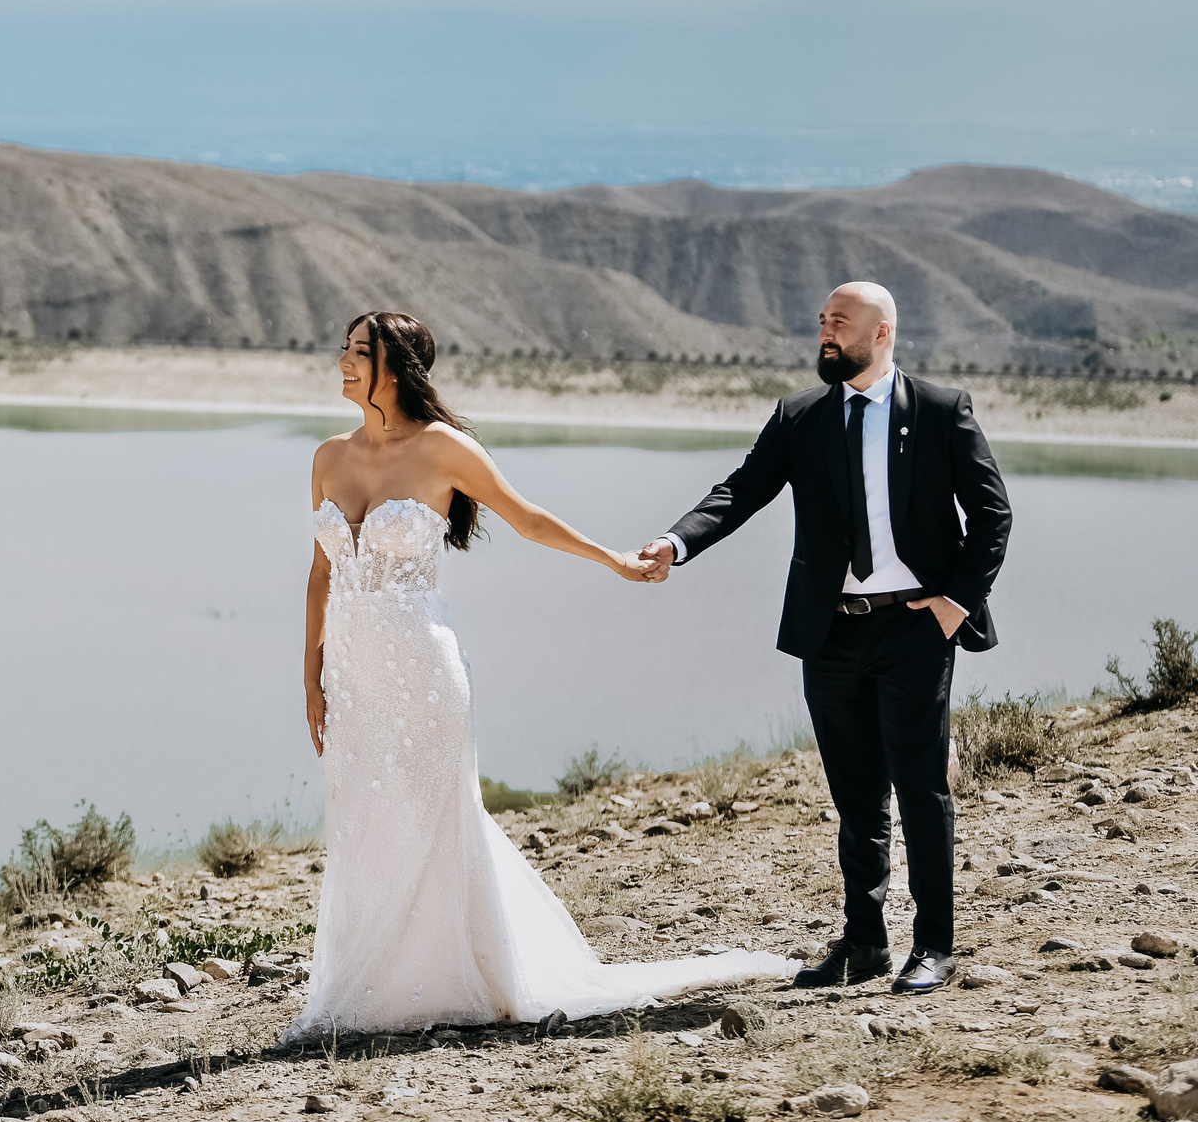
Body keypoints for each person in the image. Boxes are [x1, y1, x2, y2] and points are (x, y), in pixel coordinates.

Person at [285, 310, 789, 1041]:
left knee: (436, 816)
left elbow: (528, 518)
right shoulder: (328, 456)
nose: (344, 361)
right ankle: (375, 985)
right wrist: (310, 677)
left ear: (396, 367)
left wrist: (615, 558)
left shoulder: (444, 448)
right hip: (354, 674)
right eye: (344, 348)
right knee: (366, 821)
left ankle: (462, 978)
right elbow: (320, 573)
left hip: (423, 668)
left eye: (360, 352)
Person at [638, 282, 1010, 995]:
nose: (826, 333)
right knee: (855, 795)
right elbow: (741, 490)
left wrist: (955, 602)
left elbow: (993, 514)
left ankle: (934, 943)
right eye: (821, 322)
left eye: (840, 322)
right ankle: (864, 941)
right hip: (831, 631)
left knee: (921, 788)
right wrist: (674, 542)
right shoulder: (799, 416)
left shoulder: (938, 410)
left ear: (883, 332)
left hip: (914, 626)